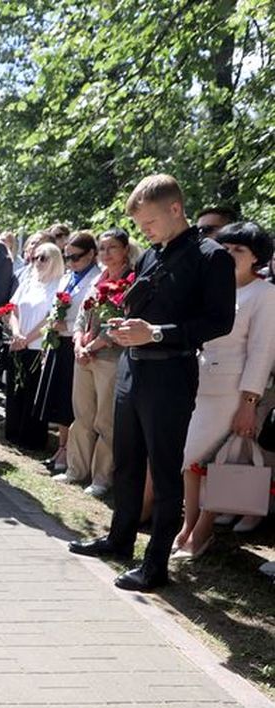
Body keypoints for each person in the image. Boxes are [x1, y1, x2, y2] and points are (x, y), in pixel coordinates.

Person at [69, 174, 236, 592]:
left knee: (163, 471)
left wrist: (157, 332)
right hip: (133, 367)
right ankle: (120, 538)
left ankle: (155, 564)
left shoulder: (210, 257)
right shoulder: (151, 256)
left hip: (171, 373)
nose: (144, 231)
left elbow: (220, 321)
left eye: (149, 223)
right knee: (125, 459)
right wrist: (124, 328)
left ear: (175, 209)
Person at [172, 222, 275, 558]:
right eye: (225, 248)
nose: (229, 255)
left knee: (211, 460)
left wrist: (249, 402)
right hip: (198, 381)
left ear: (256, 257)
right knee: (190, 460)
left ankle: (203, 529)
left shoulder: (264, 294)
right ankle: (189, 525)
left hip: (232, 390)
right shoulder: (212, 287)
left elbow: (261, 352)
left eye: (238, 250)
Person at [62, 228, 133, 496]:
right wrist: (79, 342)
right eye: (102, 248)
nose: (106, 254)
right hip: (85, 354)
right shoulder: (96, 279)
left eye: (112, 247)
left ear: (125, 249)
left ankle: (102, 477)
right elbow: (82, 314)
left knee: (106, 420)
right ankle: (76, 469)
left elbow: (121, 322)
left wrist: (93, 345)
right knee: (82, 415)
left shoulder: (131, 280)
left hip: (109, 356)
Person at [35, 231, 101, 473]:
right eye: (68, 257)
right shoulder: (68, 277)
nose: (72, 262)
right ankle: (62, 446)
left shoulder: (96, 279)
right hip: (59, 343)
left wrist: (68, 326)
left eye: (77, 257)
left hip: (76, 342)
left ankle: (73, 451)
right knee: (59, 400)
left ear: (92, 254)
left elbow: (93, 319)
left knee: (72, 402)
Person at [4, 242, 63, 450]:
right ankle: (13, 432)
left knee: (33, 394)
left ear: (54, 260)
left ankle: (31, 438)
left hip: (38, 346)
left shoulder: (58, 284)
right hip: (18, 341)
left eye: (43, 258)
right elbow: (13, 310)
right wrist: (17, 333)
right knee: (15, 389)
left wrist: (27, 339)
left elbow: (51, 318)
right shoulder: (28, 281)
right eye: (35, 257)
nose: (37, 262)